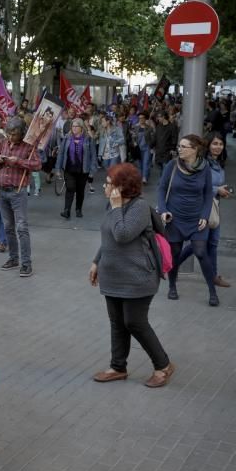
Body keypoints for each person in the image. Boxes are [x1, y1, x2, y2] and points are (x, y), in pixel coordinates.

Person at [90, 164, 173, 388]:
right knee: (117, 322)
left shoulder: (140, 208)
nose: (104, 186)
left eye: (109, 183)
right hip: (113, 275)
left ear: (122, 187)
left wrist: (117, 208)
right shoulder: (113, 205)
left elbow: (123, 234)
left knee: (135, 322)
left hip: (138, 276)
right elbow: (108, 235)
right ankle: (118, 367)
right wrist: (97, 261)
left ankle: (163, 364)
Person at [157, 134, 218, 306]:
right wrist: (163, 210)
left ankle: (212, 292)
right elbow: (161, 189)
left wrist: (205, 216)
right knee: (175, 254)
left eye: (184, 147)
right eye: (179, 146)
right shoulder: (172, 165)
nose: (180, 149)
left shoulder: (205, 168)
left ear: (195, 149)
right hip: (174, 218)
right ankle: (172, 286)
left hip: (197, 219)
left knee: (200, 252)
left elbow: (207, 194)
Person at [176, 132, 231, 290]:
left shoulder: (218, 163)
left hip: (214, 208)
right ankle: (173, 265)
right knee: (199, 244)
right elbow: (195, 185)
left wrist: (222, 192)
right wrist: (216, 190)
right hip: (201, 209)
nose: (218, 147)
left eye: (220, 144)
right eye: (215, 144)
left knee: (211, 243)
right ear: (208, 145)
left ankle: (212, 275)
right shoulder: (202, 164)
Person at [0, 119, 40, 277]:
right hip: (1, 190)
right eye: (9, 133)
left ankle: (26, 263)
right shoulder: (2, 143)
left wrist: (18, 161)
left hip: (18, 191)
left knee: (21, 228)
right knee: (8, 227)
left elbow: (38, 165)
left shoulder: (28, 146)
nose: (11, 137)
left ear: (21, 133)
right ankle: (13, 258)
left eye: (15, 134)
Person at [54, 118, 98, 219]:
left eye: (76, 126)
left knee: (80, 190)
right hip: (69, 168)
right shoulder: (67, 138)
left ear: (81, 128)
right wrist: (57, 169)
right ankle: (67, 210)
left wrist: (92, 172)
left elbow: (93, 156)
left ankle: (78, 209)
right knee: (70, 188)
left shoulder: (88, 139)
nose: (74, 128)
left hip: (83, 169)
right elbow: (61, 154)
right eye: (73, 126)